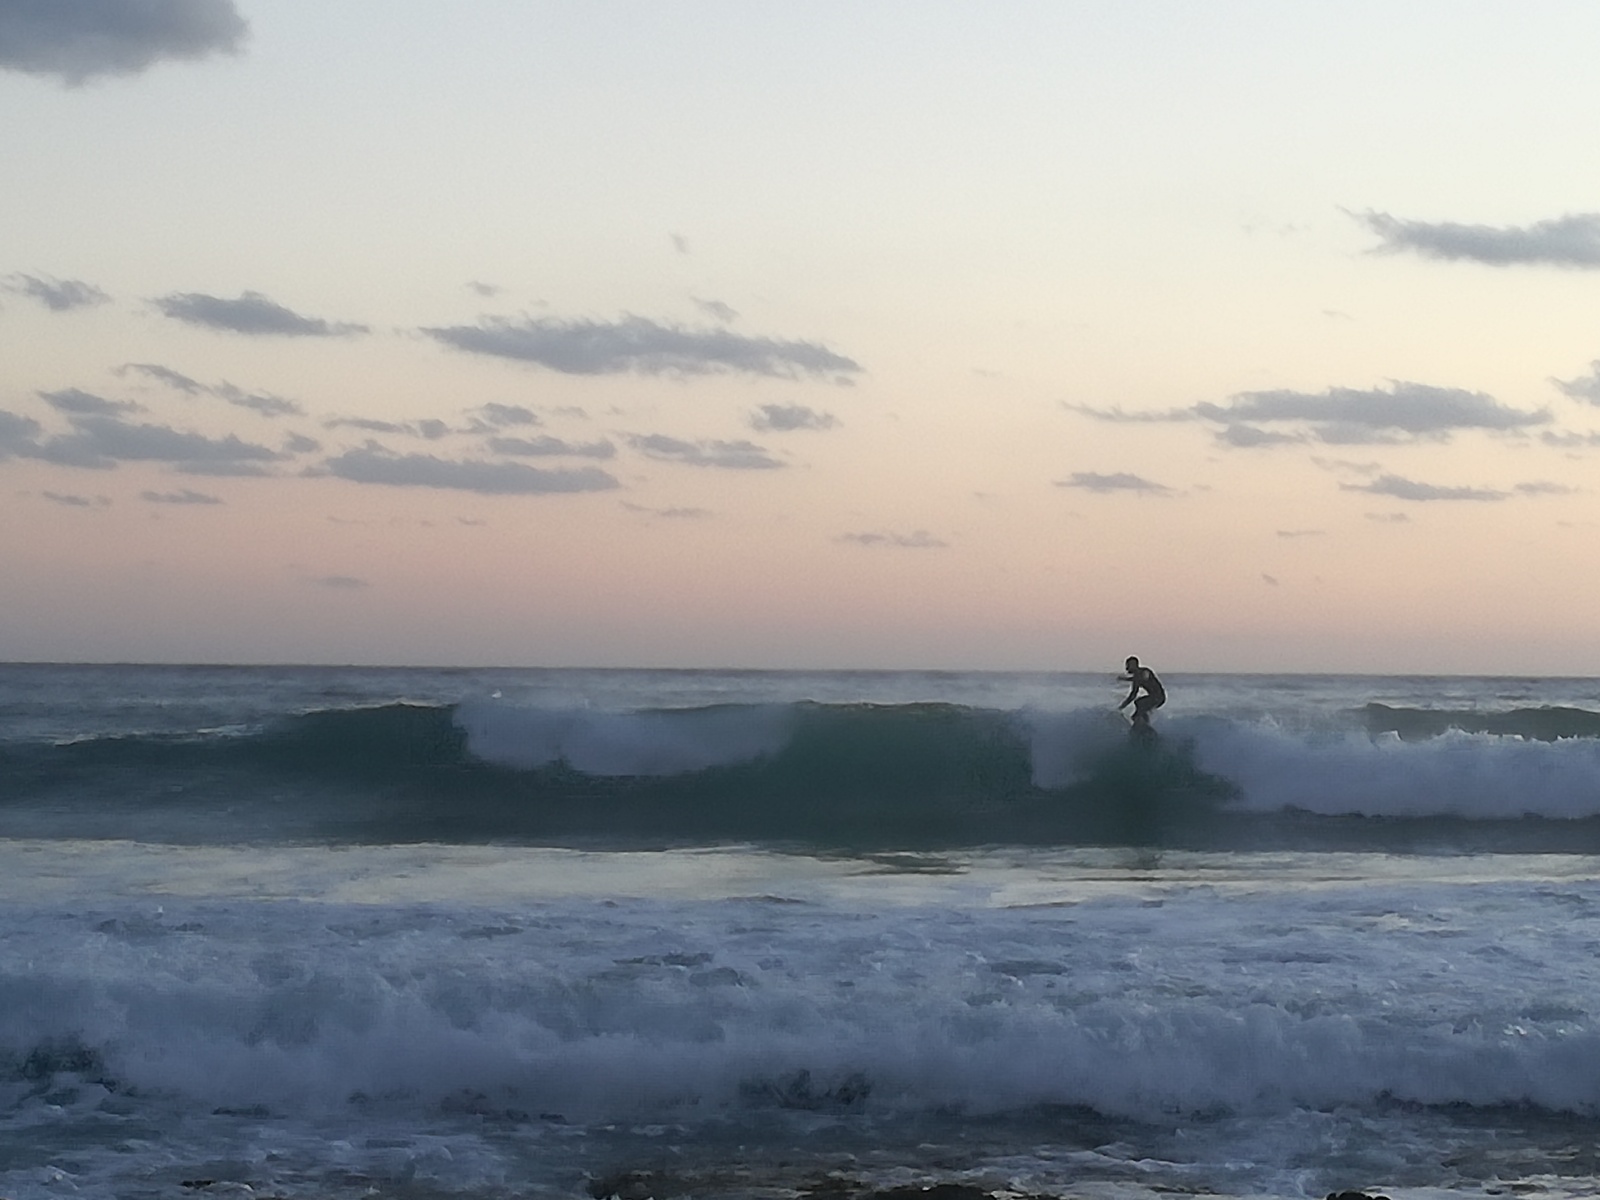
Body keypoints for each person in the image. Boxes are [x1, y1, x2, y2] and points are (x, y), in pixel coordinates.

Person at [1117, 656, 1165, 728]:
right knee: (1137, 712)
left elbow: (1144, 676)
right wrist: (1121, 707)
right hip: (1156, 698)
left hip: (1159, 697)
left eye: (1128, 665)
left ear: (1133, 664)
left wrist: (1126, 679)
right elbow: (1133, 695)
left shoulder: (1145, 671)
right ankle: (1144, 725)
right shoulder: (1137, 677)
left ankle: (1144, 724)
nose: (1126, 668)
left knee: (1140, 704)